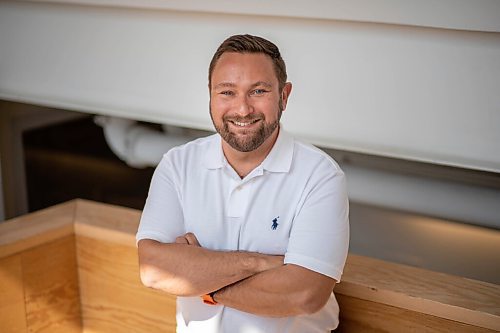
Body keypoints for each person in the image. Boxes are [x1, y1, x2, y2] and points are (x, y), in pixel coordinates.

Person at [136, 34, 349, 332]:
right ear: (210, 94)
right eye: (227, 92)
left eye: (258, 91)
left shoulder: (320, 175)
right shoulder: (178, 164)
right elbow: (153, 271)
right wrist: (260, 264)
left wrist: (203, 284)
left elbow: (305, 294)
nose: (243, 109)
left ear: (284, 96)